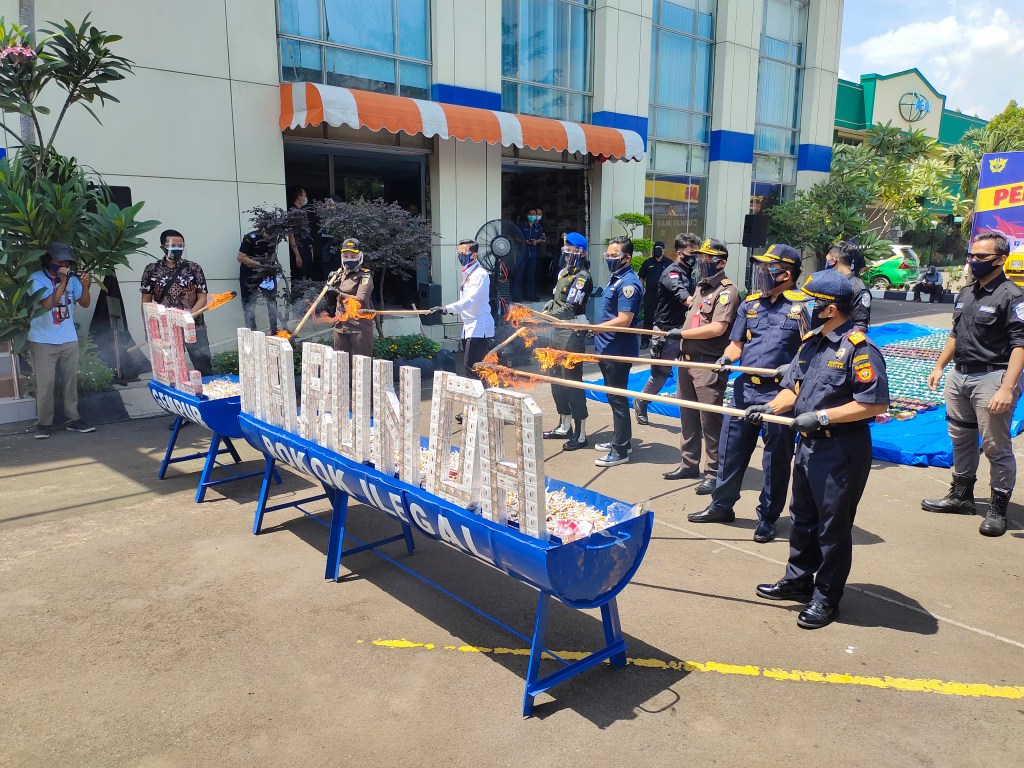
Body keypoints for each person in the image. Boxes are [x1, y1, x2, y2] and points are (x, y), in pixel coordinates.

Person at [744, 269, 889, 629]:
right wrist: (769, 407)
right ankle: (797, 580)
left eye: (810, 303)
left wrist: (822, 417)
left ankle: (826, 598)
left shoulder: (860, 349)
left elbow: (873, 404)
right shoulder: (812, 341)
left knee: (832, 526)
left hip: (841, 449)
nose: (802, 309)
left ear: (831, 309)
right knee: (802, 519)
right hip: (808, 446)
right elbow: (793, 388)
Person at [688, 244, 809, 543]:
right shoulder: (751, 304)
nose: (762, 273)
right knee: (730, 451)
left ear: (786, 273)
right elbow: (737, 343)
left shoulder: (803, 307)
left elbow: (810, 350)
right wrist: (726, 358)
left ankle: (767, 517)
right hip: (745, 389)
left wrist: (792, 367)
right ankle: (721, 505)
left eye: (769, 268)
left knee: (775, 460)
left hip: (779, 394)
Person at [922, 233, 1024, 537]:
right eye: (972, 255)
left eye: (982, 257)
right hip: (960, 376)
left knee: (995, 445)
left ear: (1000, 259)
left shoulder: (1013, 296)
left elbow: (1020, 344)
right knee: (961, 438)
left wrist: (1007, 388)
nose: (974, 261)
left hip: (993, 377)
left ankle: (998, 508)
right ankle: (961, 496)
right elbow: (955, 334)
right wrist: (940, 366)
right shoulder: (966, 292)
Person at [663, 238, 741, 495]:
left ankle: (714, 472)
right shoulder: (701, 287)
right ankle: (689, 464)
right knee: (688, 416)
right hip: (686, 361)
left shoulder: (727, 291)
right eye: (701, 258)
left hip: (707, 364)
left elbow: (718, 328)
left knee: (710, 421)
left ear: (722, 262)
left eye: (708, 259)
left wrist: (682, 334)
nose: (703, 262)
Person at [27, 242, 94, 438]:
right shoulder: (36, 279)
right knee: (45, 383)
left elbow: (85, 303)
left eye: (67, 262)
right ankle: (43, 423)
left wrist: (84, 285)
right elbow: (48, 304)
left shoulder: (72, 280)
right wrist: (62, 283)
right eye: (60, 261)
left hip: (68, 338)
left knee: (70, 382)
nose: (64, 265)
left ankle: (73, 419)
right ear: (49, 260)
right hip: (43, 340)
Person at [635, 233, 699, 425]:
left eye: (696, 253)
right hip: (666, 331)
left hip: (686, 329)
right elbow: (683, 296)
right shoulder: (672, 272)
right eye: (691, 253)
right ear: (680, 253)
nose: (694, 257)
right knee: (660, 375)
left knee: (691, 372)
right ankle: (642, 401)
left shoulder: (691, 272)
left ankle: (690, 412)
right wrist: (702, 302)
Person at [591, 236, 643, 467]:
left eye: (614, 255)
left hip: (617, 350)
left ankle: (620, 450)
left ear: (626, 258)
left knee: (617, 398)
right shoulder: (616, 279)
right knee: (614, 398)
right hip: (607, 347)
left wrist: (595, 328)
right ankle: (622, 440)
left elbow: (624, 320)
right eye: (608, 255)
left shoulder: (629, 283)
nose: (609, 259)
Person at [540, 232, 593, 450]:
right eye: (566, 249)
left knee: (571, 383)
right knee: (556, 380)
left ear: (583, 253)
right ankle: (564, 425)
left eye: (573, 250)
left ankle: (581, 433)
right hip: (556, 332)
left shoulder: (582, 277)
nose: (569, 254)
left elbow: (571, 307)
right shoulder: (564, 273)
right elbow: (557, 301)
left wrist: (544, 318)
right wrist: (548, 307)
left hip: (571, 333)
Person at [140, 229, 212, 377]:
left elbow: (202, 298)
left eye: (180, 245)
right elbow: (146, 302)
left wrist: (186, 318)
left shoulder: (194, 268)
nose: (177, 249)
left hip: (194, 325)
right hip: (165, 327)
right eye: (173, 245)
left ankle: (207, 389)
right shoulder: (151, 269)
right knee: (171, 369)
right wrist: (148, 327)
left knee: (203, 365)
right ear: (163, 247)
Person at [432, 239, 494, 385]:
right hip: (469, 326)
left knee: (472, 368)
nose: (460, 256)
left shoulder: (480, 274)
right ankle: (479, 396)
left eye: (464, 253)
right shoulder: (467, 272)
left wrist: (446, 309)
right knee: (473, 368)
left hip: (479, 327)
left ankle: (480, 397)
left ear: (474, 255)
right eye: (458, 253)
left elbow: (470, 301)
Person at [329, 238, 375, 358]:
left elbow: (360, 300)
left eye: (353, 256)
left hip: (358, 327)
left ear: (360, 256)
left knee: (362, 364)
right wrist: (329, 284)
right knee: (340, 363)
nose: (349, 258)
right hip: (340, 326)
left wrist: (338, 294)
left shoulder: (365, 276)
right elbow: (330, 303)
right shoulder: (339, 275)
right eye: (346, 255)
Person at [236, 229, 281, 335]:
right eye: (267, 233)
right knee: (248, 303)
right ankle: (252, 331)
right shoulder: (250, 237)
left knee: (271, 301)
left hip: (267, 274)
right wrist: (259, 264)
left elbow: (273, 253)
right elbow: (240, 257)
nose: (269, 236)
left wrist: (273, 265)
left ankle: (274, 329)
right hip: (249, 274)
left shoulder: (274, 237)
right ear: (263, 229)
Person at [825, 241, 870, 331]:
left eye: (827, 260)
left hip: (844, 337)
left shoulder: (858, 288)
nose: (826, 264)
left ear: (833, 260)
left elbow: (860, 325)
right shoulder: (828, 283)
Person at [637, 241, 668, 348]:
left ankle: (662, 341)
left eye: (659, 248)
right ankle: (645, 340)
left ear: (664, 250)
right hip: (650, 295)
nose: (657, 250)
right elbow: (641, 277)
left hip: (664, 297)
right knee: (648, 318)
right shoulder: (648, 263)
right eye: (655, 248)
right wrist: (641, 290)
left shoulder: (669, 263)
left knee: (663, 318)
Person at [516, 207, 545, 301]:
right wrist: (523, 242)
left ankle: (530, 295)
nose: (532, 216)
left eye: (534, 214)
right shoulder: (520, 225)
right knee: (519, 275)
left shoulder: (538, 227)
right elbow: (515, 237)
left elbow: (542, 239)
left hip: (533, 254)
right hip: (522, 254)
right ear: (526, 215)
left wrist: (536, 241)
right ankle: (517, 296)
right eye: (530, 214)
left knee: (531, 276)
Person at [287, 185, 314, 282]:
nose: (306, 198)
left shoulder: (303, 212)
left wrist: (311, 249)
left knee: (308, 276)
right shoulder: (292, 212)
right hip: (299, 250)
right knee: (300, 277)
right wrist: (297, 255)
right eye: (304, 195)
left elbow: (307, 233)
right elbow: (291, 235)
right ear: (299, 197)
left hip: (307, 249)